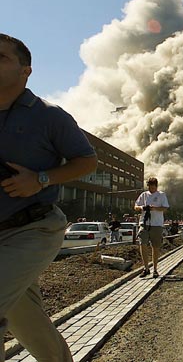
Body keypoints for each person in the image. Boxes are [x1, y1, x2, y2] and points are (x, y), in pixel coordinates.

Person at [0, 33, 98, 361]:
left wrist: (40, 179)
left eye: (1, 58)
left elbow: (87, 161)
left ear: (25, 70)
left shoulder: (48, 115)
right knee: (26, 320)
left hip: (32, 228)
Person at [134, 177, 170, 278]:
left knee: (155, 247)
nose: (151, 189)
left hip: (156, 224)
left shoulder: (161, 195)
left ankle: (155, 269)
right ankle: (146, 268)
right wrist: (142, 207)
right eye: (149, 186)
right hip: (144, 223)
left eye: (153, 187)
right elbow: (136, 206)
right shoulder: (144, 195)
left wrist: (154, 208)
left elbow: (165, 208)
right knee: (142, 243)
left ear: (156, 186)